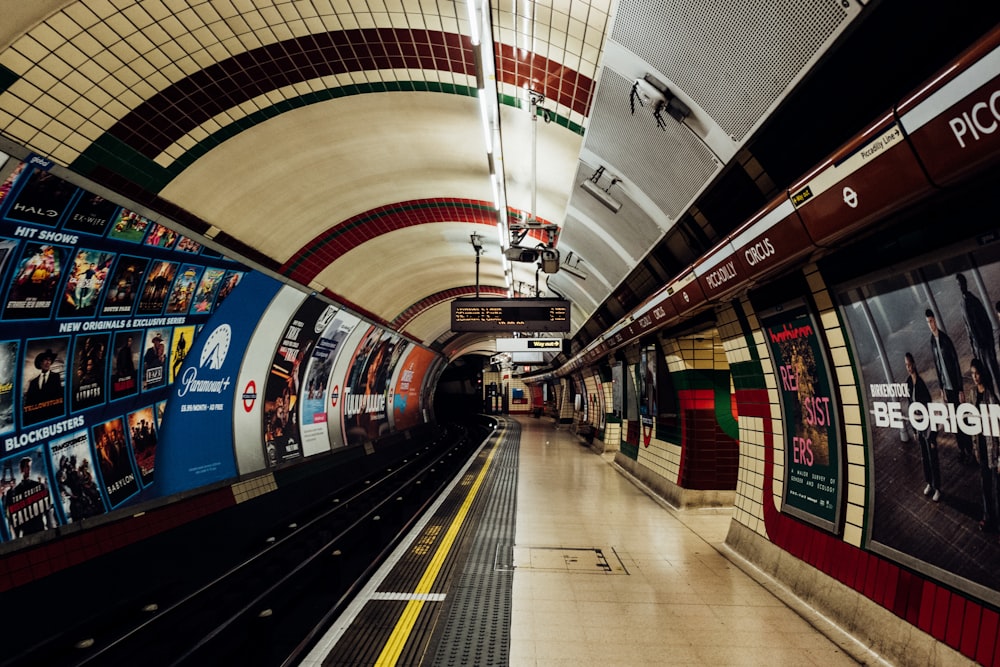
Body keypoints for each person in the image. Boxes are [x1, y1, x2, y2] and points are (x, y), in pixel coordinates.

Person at [926, 309, 974, 462]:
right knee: (954, 420)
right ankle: (962, 450)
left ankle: (970, 450)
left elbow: (955, 364)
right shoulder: (932, 342)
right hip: (946, 388)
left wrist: (960, 389)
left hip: (954, 387)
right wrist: (941, 388)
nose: (931, 324)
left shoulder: (945, 340)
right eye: (928, 322)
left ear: (936, 321)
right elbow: (937, 365)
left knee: (962, 419)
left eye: (932, 321)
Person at [970, 359, 1000, 533]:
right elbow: (973, 425)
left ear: (982, 373)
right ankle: (987, 517)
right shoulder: (973, 395)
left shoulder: (991, 396)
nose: (974, 377)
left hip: (993, 451)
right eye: (972, 374)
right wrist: (975, 448)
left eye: (977, 373)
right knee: (985, 486)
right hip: (981, 449)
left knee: (997, 490)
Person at [905, 352, 940, 501]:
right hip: (919, 426)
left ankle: (937, 487)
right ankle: (929, 483)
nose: (908, 367)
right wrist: (914, 428)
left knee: (932, 458)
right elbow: (910, 406)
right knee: (925, 457)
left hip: (927, 427)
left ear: (914, 364)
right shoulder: (908, 383)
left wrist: (932, 434)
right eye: (906, 365)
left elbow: (929, 407)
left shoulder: (920, 384)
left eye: (909, 364)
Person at [957, 274, 1000, 396]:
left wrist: (990, 346)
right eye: (959, 285)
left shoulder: (974, 301)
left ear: (966, 284)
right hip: (977, 348)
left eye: (962, 284)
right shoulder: (961, 304)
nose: (961, 287)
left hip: (985, 345)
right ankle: (993, 398)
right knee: (984, 376)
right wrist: (973, 349)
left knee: (994, 372)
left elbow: (986, 322)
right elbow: (967, 327)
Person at [4, 457, 51, 537]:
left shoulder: (38, 486)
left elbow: (47, 509)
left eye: (30, 467)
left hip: (39, 527)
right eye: (27, 467)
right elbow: (12, 517)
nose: (29, 469)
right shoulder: (16, 491)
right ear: (21, 469)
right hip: (27, 531)